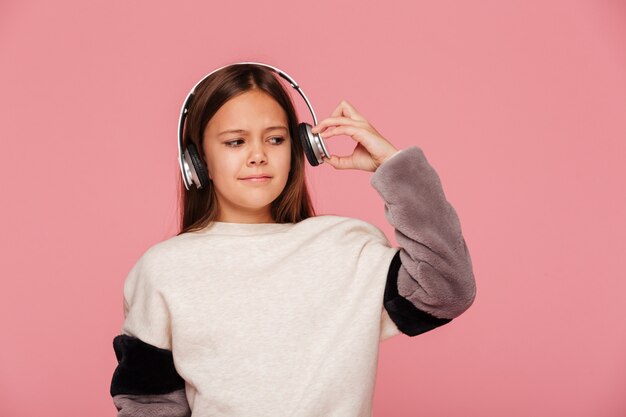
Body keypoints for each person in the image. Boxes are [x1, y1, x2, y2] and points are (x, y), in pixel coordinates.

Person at [109, 63, 476, 417]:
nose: (258, 156)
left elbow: (446, 289)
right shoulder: (164, 270)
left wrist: (393, 166)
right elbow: (150, 404)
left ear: (299, 148)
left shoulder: (347, 247)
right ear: (197, 160)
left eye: (275, 139)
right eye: (236, 142)